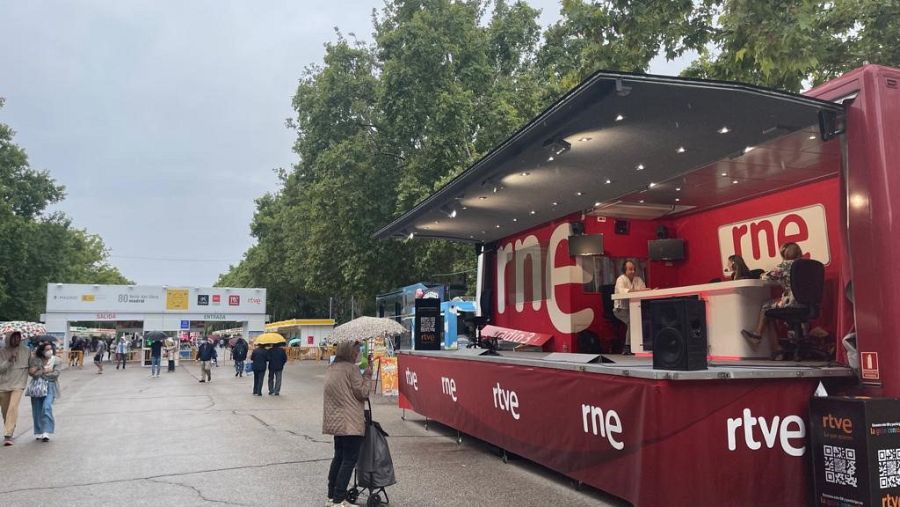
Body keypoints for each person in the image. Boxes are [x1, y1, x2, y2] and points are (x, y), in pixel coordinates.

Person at [323, 340, 373, 507]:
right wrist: (367, 375)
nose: (358, 353)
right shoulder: (351, 369)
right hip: (350, 421)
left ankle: (331, 496)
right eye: (357, 350)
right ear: (350, 351)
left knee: (338, 457)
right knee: (349, 460)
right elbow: (363, 393)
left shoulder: (332, 367)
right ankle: (339, 499)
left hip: (337, 421)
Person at [742, 242, 804, 360]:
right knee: (770, 314)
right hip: (808, 304)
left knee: (766, 306)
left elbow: (765, 277)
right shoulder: (806, 265)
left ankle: (757, 334)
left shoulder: (784, 266)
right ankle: (777, 350)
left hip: (791, 302)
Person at [0, 332, 31, 446]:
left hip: (19, 384)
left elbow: (31, 365)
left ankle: (8, 434)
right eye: (14, 337)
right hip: (3, 385)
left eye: (19, 337)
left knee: (13, 407)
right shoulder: (2, 351)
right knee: (5, 410)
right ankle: (10, 426)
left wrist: (37, 370)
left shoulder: (26, 350)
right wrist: (9, 360)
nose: (16, 340)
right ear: (9, 338)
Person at [28, 341, 61, 442]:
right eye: (47, 349)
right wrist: (44, 371)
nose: (49, 351)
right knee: (37, 409)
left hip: (50, 386)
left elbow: (56, 374)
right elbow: (32, 373)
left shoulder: (56, 360)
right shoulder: (35, 360)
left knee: (46, 407)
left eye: (50, 349)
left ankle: (46, 431)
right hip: (37, 387)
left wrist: (41, 373)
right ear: (42, 351)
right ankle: (39, 431)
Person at [612, 259, 649, 347]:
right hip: (620, 310)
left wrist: (640, 291)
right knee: (633, 321)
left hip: (635, 308)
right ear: (625, 270)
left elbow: (644, 291)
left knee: (645, 318)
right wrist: (638, 291)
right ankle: (628, 346)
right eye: (630, 269)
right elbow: (624, 292)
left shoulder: (638, 279)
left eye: (634, 269)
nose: (633, 271)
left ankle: (642, 345)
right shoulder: (620, 279)